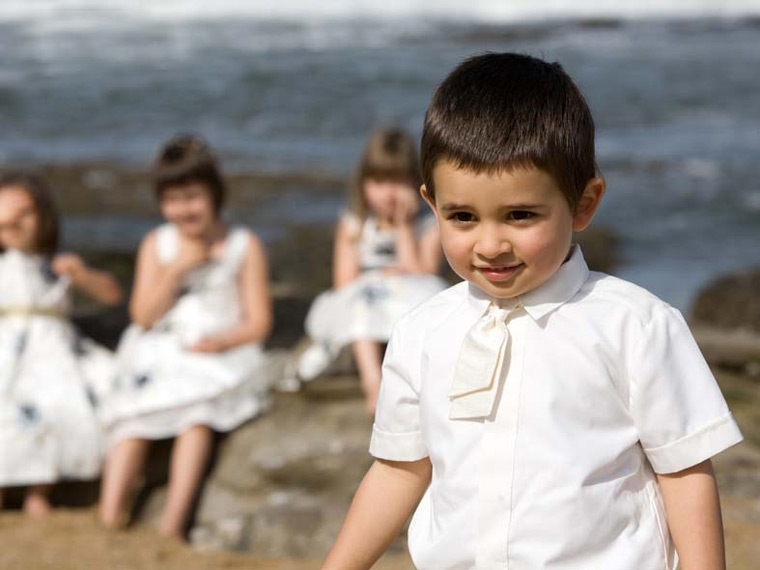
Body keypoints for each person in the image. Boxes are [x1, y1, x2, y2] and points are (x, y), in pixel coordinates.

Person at [321, 53, 743, 570]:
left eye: (520, 215)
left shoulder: (636, 325)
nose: (491, 243)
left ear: (584, 203)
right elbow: (398, 470)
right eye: (463, 217)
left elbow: (683, 469)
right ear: (431, 206)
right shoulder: (421, 332)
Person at [98, 135, 273, 540]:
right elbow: (142, 316)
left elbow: (258, 321)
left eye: (192, 197)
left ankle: (172, 526)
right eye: (173, 199)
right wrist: (176, 269)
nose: (183, 209)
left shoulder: (242, 245)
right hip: (160, 349)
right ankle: (109, 517)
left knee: (197, 420)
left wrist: (224, 342)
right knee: (132, 419)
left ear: (215, 195)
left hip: (214, 351)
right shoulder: (157, 244)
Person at [297, 127, 447, 414]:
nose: (388, 193)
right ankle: (373, 382)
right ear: (363, 184)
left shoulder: (427, 226)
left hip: (408, 292)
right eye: (379, 181)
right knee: (360, 310)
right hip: (366, 298)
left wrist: (403, 228)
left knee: (426, 306)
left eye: (398, 182)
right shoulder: (354, 225)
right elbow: (344, 282)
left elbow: (425, 273)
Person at [0, 171, 122, 517]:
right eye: (7, 217)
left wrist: (80, 274)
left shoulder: (56, 266)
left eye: (25, 214)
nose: (17, 225)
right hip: (7, 350)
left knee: (63, 404)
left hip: (53, 351)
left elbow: (111, 294)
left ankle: (40, 488)